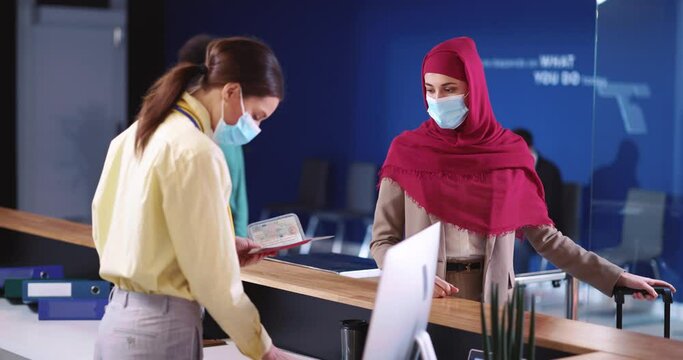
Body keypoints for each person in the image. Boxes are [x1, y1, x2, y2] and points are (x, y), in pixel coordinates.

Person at [370, 36, 675, 303]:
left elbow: (547, 239)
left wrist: (616, 277)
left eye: (449, 88)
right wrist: (408, 273)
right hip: (425, 295)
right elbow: (383, 242)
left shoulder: (508, 153)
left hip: (492, 297)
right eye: (429, 89)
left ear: (473, 89)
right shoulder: (407, 152)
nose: (436, 100)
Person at [92, 37, 290, 359]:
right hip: (161, 330)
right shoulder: (197, 152)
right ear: (230, 92)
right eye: (257, 116)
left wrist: (221, 246)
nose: (256, 128)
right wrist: (263, 349)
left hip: (117, 318)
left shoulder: (133, 136)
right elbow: (215, 284)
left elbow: (108, 228)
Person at [178, 34, 250, 237]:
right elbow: (237, 200)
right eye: (256, 115)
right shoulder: (200, 142)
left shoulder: (223, 130)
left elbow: (236, 195)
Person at [512, 128, 564, 273]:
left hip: (540, 228)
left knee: (515, 245)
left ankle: (516, 289)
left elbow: (551, 209)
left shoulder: (549, 171)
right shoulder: (511, 168)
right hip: (513, 225)